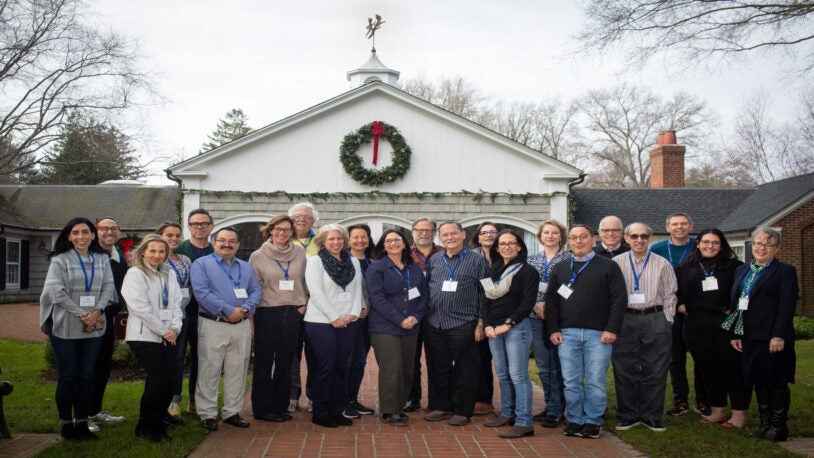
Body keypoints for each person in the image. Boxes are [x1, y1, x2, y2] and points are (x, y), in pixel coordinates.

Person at [39, 217, 118, 441]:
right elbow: (57, 292)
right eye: (76, 233)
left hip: (93, 326)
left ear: (93, 235)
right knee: (68, 376)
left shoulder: (102, 259)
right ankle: (66, 424)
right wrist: (82, 314)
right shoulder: (59, 260)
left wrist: (97, 312)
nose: (81, 237)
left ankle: (82, 423)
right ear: (69, 236)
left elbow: (108, 288)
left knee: (87, 376)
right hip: (65, 325)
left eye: (85, 232)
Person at [546, 224, 627, 439]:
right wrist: (553, 329)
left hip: (599, 335)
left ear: (593, 239)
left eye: (583, 237)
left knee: (595, 380)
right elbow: (552, 302)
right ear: (568, 242)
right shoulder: (561, 268)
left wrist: (612, 329)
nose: (579, 241)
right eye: (574, 238)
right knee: (571, 380)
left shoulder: (608, 266)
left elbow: (619, 300)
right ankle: (575, 419)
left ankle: (593, 420)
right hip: (567, 333)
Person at [726, 228, 798, 442]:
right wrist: (735, 333)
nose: (761, 248)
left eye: (768, 244)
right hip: (749, 336)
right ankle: (765, 425)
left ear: (777, 248)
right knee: (758, 380)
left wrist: (779, 335)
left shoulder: (784, 271)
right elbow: (736, 304)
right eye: (758, 243)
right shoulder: (743, 271)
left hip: (772, 336)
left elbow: (786, 306)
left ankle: (778, 426)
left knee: (775, 380)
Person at [675, 229, 748, 428]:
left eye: (715, 242)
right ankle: (717, 410)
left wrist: (733, 310)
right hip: (694, 325)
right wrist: (680, 304)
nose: (710, 246)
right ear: (698, 243)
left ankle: (739, 414)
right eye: (705, 242)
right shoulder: (686, 267)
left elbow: (745, 292)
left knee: (731, 369)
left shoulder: (735, 267)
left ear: (722, 245)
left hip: (724, 325)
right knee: (707, 369)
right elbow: (674, 291)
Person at [192, 227, 261, 431]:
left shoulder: (245, 267)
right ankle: (208, 413)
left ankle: (232, 411)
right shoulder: (201, 264)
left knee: (237, 370)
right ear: (214, 243)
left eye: (231, 241)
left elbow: (256, 290)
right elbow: (201, 293)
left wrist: (245, 310)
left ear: (237, 245)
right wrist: (229, 310)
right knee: (209, 369)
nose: (227, 244)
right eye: (222, 240)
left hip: (241, 325)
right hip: (214, 323)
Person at [612, 222, 677, 432]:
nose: (639, 240)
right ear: (627, 239)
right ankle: (628, 415)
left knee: (655, 369)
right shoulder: (616, 263)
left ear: (649, 239)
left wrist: (667, 320)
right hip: (626, 319)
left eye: (644, 236)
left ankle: (651, 415)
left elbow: (670, 294)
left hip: (654, 318)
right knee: (624, 368)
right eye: (635, 236)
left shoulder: (662, 263)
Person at [422, 221, 489, 427]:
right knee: (438, 367)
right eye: (444, 235)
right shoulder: (434, 260)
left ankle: (462, 410)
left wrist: (481, 322)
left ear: (463, 235)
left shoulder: (478, 261)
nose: (449, 238)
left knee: (465, 368)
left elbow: (487, 292)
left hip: (464, 323)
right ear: (439, 238)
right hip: (435, 322)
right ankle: (441, 406)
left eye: (453, 234)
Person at [121, 235, 183, 442]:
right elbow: (140, 307)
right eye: (152, 251)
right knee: (159, 379)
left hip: (168, 334)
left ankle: (156, 421)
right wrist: (162, 330)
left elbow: (176, 303)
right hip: (144, 335)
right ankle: (146, 425)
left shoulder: (168, 274)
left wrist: (174, 327)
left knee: (171, 380)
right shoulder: (135, 274)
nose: (157, 255)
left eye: (161, 251)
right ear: (143, 252)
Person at [303, 224, 364, 428]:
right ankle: (320, 411)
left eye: (339, 239)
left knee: (341, 366)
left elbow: (357, 290)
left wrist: (353, 314)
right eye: (331, 239)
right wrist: (334, 317)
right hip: (321, 321)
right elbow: (316, 293)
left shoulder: (353, 261)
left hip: (349, 320)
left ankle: (337, 410)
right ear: (322, 241)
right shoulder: (315, 262)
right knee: (326, 365)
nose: (336, 242)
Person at [248, 215, 307, 422]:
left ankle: (281, 406)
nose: (282, 233)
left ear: (292, 232)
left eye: (287, 229)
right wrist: (252, 318)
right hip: (267, 312)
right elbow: (253, 287)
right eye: (278, 229)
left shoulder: (299, 252)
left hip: (293, 313)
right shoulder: (257, 255)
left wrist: (304, 304)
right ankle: (262, 409)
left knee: (285, 363)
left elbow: (304, 280)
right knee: (264, 363)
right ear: (270, 230)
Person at [366, 228, 428, 426]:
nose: (393, 243)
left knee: (407, 368)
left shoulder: (414, 268)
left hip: (411, 325)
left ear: (405, 243)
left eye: (397, 240)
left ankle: (399, 406)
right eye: (389, 241)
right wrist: (399, 319)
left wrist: (415, 317)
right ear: (383, 246)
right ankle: (389, 410)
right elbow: (377, 299)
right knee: (392, 367)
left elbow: (423, 296)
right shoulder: (377, 268)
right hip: (385, 327)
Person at [481, 230, 539, 438]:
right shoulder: (491, 271)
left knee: (518, 375)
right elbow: (485, 300)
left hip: (515, 328)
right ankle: (507, 413)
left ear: (519, 247)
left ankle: (524, 422)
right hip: (494, 330)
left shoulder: (527, 271)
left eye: (511, 243)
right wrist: (487, 325)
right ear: (497, 248)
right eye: (502, 244)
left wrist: (509, 324)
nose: (506, 247)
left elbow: (527, 303)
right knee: (503, 374)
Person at [650, 213, 708, 417]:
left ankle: (703, 399)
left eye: (684, 223)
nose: (680, 227)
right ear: (668, 228)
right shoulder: (657, 249)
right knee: (675, 357)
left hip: (694, 309)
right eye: (675, 224)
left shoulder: (700, 246)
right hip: (669, 308)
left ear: (691, 225)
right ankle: (680, 399)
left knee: (701, 356)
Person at [526, 219, 569, 428]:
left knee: (559, 366)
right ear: (540, 237)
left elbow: (571, 289)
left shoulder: (569, 259)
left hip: (559, 319)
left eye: (554, 233)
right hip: (535, 317)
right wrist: (535, 305)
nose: (550, 236)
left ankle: (558, 409)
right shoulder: (531, 260)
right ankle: (550, 406)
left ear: (561, 237)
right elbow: (526, 287)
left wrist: (549, 307)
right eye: (546, 233)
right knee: (544, 366)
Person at [87, 217, 128, 432]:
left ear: (119, 232)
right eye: (104, 228)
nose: (109, 232)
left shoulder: (119, 259)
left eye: (113, 228)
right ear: (96, 232)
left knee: (103, 368)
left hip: (107, 322)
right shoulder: (88, 256)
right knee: (86, 369)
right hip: (86, 321)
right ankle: (82, 416)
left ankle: (95, 411)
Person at [174, 208, 215, 414]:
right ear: (189, 227)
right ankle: (173, 401)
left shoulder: (216, 251)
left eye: (203, 224)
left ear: (211, 226)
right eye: (194, 224)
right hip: (182, 313)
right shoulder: (179, 251)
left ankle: (195, 400)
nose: (199, 227)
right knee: (177, 357)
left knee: (202, 358)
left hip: (207, 314)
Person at [404, 217, 445, 413]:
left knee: (437, 359)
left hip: (438, 314)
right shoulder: (405, 254)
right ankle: (412, 398)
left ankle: (438, 402)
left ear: (434, 233)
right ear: (413, 232)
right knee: (411, 359)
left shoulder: (444, 254)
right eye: (419, 230)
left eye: (428, 230)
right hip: (412, 313)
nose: (424, 233)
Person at [156, 222, 193, 419]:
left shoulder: (185, 259)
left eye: (177, 235)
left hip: (182, 315)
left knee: (178, 359)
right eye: (169, 235)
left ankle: (174, 401)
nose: (174, 239)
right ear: (160, 235)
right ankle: (160, 400)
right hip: (162, 319)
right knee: (163, 359)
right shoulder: (156, 258)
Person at [288, 202, 319, 413]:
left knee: (316, 353)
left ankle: (314, 396)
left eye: (307, 217)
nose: (302, 220)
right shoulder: (282, 240)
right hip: (291, 305)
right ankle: (291, 395)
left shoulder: (322, 241)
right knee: (291, 353)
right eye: (298, 216)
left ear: (313, 221)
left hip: (317, 304)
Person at [343, 224, 376, 418]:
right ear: (348, 240)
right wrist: (357, 310)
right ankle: (342, 401)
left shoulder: (372, 262)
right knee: (347, 361)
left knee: (359, 361)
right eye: (355, 237)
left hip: (368, 321)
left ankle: (352, 399)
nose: (360, 240)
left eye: (363, 237)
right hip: (350, 319)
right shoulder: (344, 261)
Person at [469, 222, 498, 416]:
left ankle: (487, 399)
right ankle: (476, 398)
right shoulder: (471, 257)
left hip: (499, 314)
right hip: (474, 312)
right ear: (478, 237)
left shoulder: (504, 255)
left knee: (490, 359)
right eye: (484, 232)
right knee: (475, 358)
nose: (488, 235)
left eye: (492, 232)